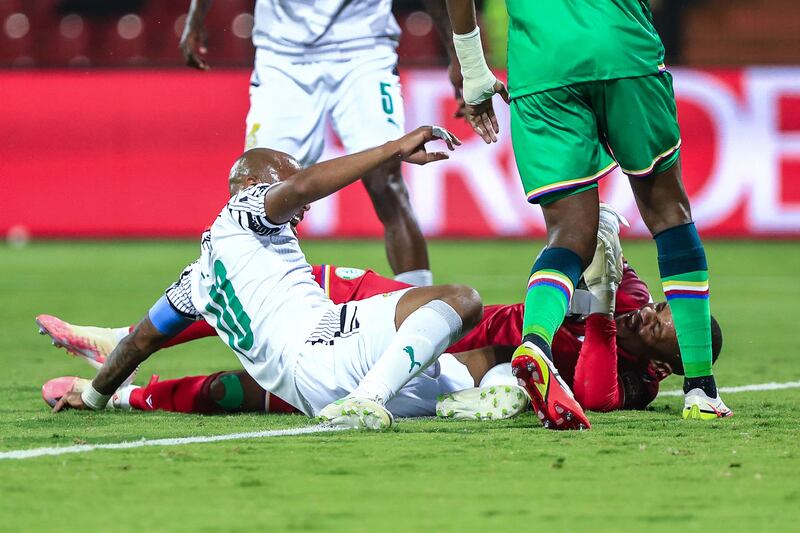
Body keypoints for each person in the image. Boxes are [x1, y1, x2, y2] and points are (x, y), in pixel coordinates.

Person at [40, 207, 723, 419]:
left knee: (249, 391)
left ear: (666, 362)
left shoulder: (634, 377)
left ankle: (129, 389)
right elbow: (606, 246)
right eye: (664, 305)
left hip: (453, 358)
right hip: (450, 330)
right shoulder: (635, 300)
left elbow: (601, 393)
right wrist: (607, 238)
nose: (652, 310)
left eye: (662, 321)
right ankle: (125, 338)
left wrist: (598, 310)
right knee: (301, 283)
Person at [51, 127, 489, 430]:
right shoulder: (242, 212)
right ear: (253, 185)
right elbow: (303, 189)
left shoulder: (195, 282)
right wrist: (393, 148)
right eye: (287, 178)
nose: (304, 203)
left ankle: (482, 390)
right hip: (325, 347)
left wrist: (93, 397)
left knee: (468, 368)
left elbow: (138, 343)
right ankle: (368, 399)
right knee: (462, 300)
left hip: (308, 396)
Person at [444, 0, 732, 428]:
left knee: (567, 235)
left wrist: (471, 63)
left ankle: (536, 343)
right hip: (621, 48)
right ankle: (701, 388)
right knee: (669, 214)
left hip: (541, 64)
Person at [180, 0, 464, 287]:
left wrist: (458, 53)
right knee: (257, 196)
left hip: (364, 47)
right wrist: (196, 16)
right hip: (282, 52)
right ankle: (255, 305)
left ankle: (423, 303)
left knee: (386, 179)